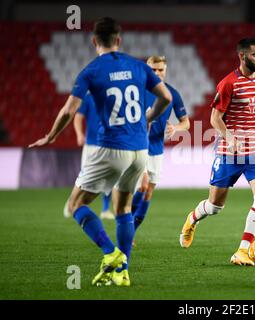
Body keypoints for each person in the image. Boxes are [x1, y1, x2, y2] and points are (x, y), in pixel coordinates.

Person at [29, 17, 172, 286]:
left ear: (94, 41)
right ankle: (123, 272)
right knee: (124, 209)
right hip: (140, 150)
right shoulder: (139, 66)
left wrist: (50, 136)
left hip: (110, 148)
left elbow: (70, 110)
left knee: (75, 204)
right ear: (119, 40)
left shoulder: (91, 70)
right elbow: (166, 97)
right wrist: (148, 117)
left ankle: (111, 254)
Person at [179, 38, 255, 266]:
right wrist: (230, 138)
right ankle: (192, 218)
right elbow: (214, 118)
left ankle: (242, 251)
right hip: (229, 154)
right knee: (214, 207)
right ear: (242, 56)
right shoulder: (229, 83)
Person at [131, 55, 190, 233]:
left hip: (157, 150)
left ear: (165, 71)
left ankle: (130, 231)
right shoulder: (136, 90)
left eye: (160, 70)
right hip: (136, 147)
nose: (157, 73)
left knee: (148, 192)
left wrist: (175, 128)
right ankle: (124, 226)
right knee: (143, 184)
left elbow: (186, 122)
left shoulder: (172, 93)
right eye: (153, 70)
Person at [62, 93, 114, 220]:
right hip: (92, 144)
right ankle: (72, 202)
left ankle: (105, 209)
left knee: (111, 177)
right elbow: (78, 117)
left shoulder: (114, 94)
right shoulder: (89, 97)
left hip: (109, 144)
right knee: (85, 176)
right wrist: (79, 134)